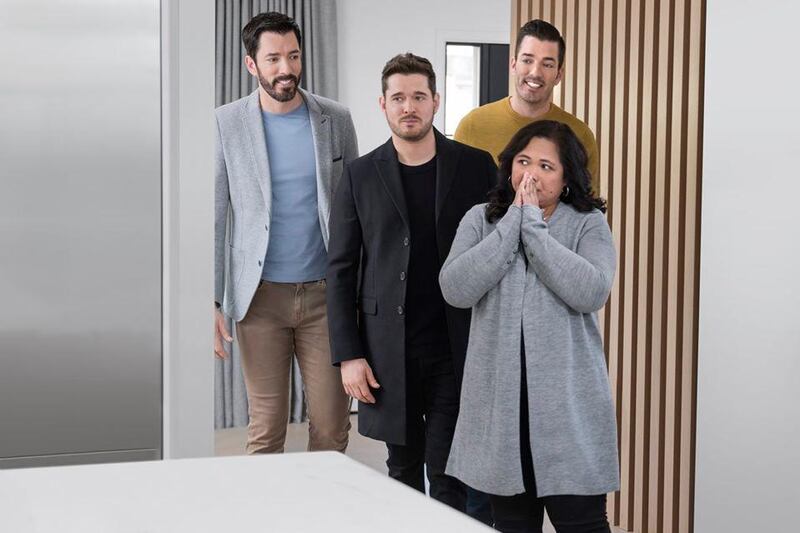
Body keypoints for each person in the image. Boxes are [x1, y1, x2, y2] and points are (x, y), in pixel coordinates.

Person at [326, 53, 496, 512]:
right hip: (386, 351)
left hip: (456, 345)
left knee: (448, 472)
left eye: (418, 96)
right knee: (401, 470)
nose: (409, 107)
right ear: (382, 104)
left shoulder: (476, 167)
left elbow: (499, 254)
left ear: (436, 101)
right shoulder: (360, 174)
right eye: (398, 97)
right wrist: (348, 355)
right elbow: (340, 268)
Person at [439, 120, 619, 533]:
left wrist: (534, 229)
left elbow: (591, 291)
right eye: (523, 161)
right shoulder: (479, 220)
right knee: (511, 523)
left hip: (567, 409)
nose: (531, 174)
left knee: (583, 523)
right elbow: (455, 288)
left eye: (546, 166)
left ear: (567, 177)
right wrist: (511, 224)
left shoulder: (587, 223)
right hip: (502, 408)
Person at [213, 12, 358, 455]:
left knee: (332, 429)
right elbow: (217, 215)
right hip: (259, 299)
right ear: (251, 65)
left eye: (293, 56)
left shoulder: (335, 118)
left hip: (324, 296)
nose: (286, 68)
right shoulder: (226, 123)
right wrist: (212, 300)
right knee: (266, 429)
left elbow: (354, 212)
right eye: (273, 58)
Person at [454, 19, 599, 192]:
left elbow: (587, 208)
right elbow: (458, 200)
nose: (535, 72)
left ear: (558, 74)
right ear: (514, 65)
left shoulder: (579, 134)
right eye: (528, 60)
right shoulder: (472, 126)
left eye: (547, 64)